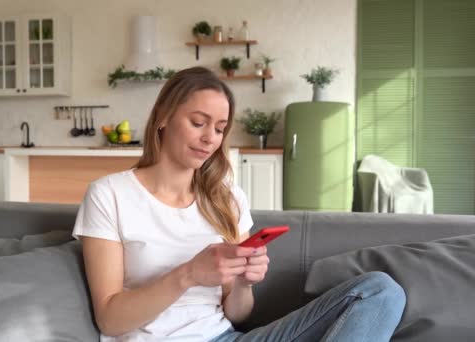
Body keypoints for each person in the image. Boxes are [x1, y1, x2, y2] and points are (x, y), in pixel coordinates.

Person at [72, 66, 406, 341]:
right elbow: (110, 319)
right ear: (163, 117)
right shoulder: (109, 195)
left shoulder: (225, 197)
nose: (209, 139)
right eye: (198, 123)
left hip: (226, 337)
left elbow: (237, 314)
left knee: (380, 291)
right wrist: (188, 274)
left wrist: (244, 282)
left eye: (219, 128)